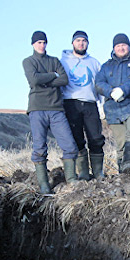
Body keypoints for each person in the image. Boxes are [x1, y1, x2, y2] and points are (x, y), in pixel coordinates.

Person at [22, 30, 79, 193]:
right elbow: (33, 80)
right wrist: (52, 76)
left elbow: (64, 79)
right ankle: (44, 186)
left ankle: (72, 181)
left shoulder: (54, 60)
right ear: (33, 44)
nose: (42, 45)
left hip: (56, 109)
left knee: (69, 145)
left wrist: (44, 80)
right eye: (39, 42)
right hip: (37, 109)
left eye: (44, 42)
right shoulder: (28, 61)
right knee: (39, 148)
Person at [95, 33, 130, 174]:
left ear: (129, 46)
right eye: (118, 46)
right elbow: (99, 83)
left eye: (123, 45)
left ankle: (129, 163)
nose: (121, 48)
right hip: (113, 110)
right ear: (113, 48)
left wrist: (124, 90)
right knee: (120, 144)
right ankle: (125, 177)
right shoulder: (106, 66)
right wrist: (110, 91)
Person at [60, 30, 106, 180]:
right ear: (73, 43)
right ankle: (84, 172)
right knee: (77, 138)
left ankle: (98, 172)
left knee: (96, 138)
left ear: (87, 43)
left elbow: (100, 85)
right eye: (78, 40)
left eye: (84, 41)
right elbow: (59, 84)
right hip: (71, 103)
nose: (81, 43)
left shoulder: (94, 63)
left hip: (90, 103)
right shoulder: (64, 62)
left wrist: (103, 105)